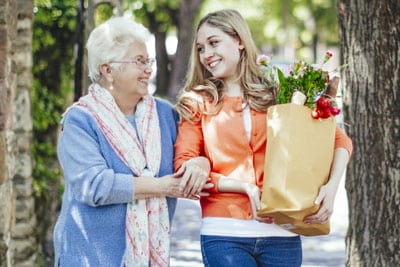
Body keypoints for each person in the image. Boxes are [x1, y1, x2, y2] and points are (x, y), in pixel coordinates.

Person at [174, 9, 353, 267]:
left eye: (214, 43)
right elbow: (184, 165)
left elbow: (338, 139)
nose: (206, 55)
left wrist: (332, 186)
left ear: (239, 41)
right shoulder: (198, 102)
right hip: (224, 233)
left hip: (282, 232)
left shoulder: (280, 93)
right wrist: (244, 187)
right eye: (201, 48)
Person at [53, 16, 211, 266]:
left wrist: (200, 163)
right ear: (108, 70)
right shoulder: (79, 121)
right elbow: (94, 185)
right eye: (139, 61)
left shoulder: (165, 114)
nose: (149, 69)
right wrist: (163, 187)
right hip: (90, 257)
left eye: (149, 61)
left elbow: (192, 153)